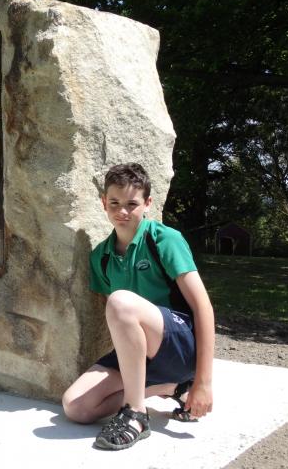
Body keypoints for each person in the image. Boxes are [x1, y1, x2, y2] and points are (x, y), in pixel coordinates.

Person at [62, 163, 214, 450]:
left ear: (147, 204)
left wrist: (204, 382)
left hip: (179, 346)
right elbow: (120, 323)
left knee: (121, 301)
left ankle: (135, 414)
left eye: (132, 204)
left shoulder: (163, 239)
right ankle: (171, 389)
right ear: (104, 203)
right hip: (140, 354)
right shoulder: (101, 257)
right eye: (115, 203)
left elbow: (203, 308)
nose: (122, 211)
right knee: (76, 407)